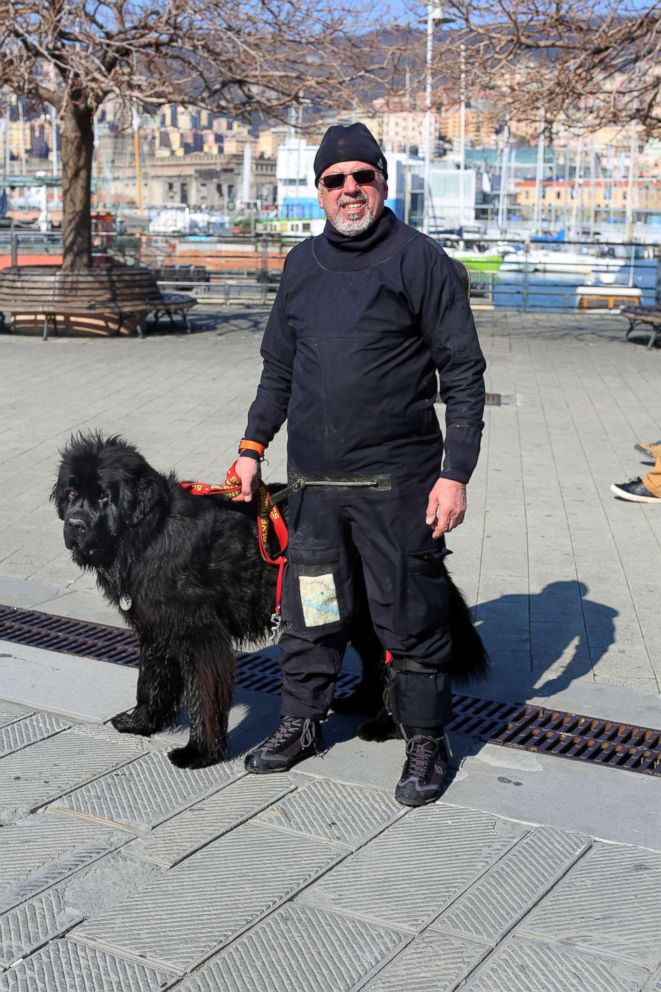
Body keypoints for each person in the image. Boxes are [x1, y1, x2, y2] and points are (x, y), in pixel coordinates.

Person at [231, 122, 486, 806]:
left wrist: (454, 471)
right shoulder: (301, 266)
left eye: (361, 176)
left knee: (409, 615)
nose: (349, 190)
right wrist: (252, 447)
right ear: (318, 191)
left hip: (398, 487)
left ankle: (427, 740)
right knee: (311, 612)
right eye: (334, 180)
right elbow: (278, 368)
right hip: (314, 490)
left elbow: (462, 372)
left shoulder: (419, 260)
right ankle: (299, 722)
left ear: (382, 179)